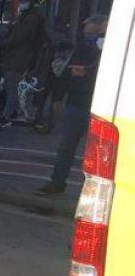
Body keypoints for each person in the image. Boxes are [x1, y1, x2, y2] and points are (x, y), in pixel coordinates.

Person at [38, 15, 108, 196]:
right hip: (77, 102)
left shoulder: (109, 48)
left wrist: (87, 73)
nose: (87, 35)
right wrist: (58, 97)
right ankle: (57, 182)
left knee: (91, 150)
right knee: (67, 146)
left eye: (90, 31)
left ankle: (87, 188)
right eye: (86, 32)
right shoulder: (82, 47)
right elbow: (68, 73)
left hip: (95, 104)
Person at [0, 0, 49, 119]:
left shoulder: (31, 18)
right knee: (11, 86)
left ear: (30, 2)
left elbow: (19, 37)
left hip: (20, 57)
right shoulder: (27, 15)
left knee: (13, 87)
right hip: (17, 56)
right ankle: (10, 112)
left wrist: (4, 44)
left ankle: (7, 116)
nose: (20, 3)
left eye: (23, 1)